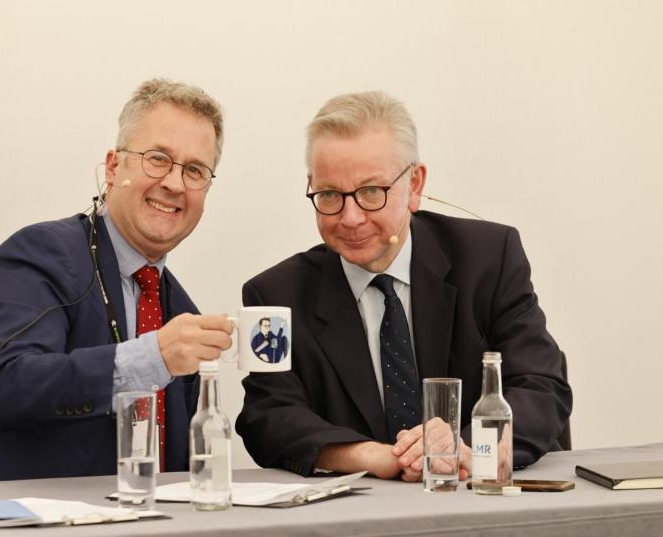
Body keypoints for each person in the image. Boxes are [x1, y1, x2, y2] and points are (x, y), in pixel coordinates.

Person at [0, 78, 234, 485]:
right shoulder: (39, 254)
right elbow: (7, 386)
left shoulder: (180, 313)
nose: (174, 183)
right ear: (114, 167)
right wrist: (152, 357)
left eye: (194, 170)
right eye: (158, 158)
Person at [235, 91, 572, 481]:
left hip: (476, 498)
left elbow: (540, 384)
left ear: (414, 184)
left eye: (371, 192)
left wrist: (467, 450)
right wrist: (376, 456)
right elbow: (270, 417)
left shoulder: (488, 260)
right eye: (329, 195)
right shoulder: (277, 296)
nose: (350, 217)